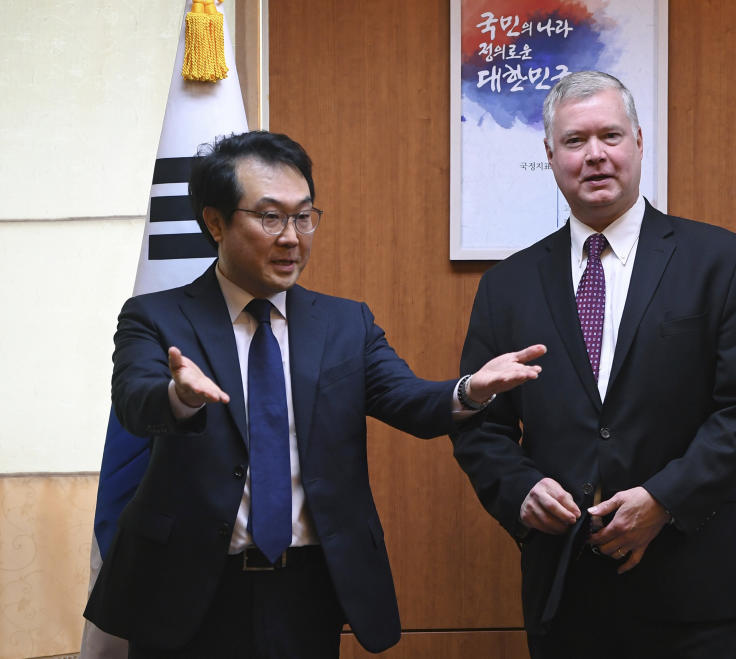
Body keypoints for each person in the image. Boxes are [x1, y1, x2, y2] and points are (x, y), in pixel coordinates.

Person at [83, 130, 545, 658]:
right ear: (215, 222)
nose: (292, 237)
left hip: (308, 586)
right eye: (270, 217)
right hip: (186, 588)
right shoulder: (156, 316)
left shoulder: (345, 323)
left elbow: (407, 400)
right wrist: (179, 396)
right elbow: (135, 399)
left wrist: (470, 390)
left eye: (304, 217)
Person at [451, 71, 736, 657]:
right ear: (550, 156)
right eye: (575, 141)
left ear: (639, 143)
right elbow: (482, 426)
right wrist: (520, 490)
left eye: (611, 135)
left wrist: (663, 500)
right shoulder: (508, 286)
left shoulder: (719, 260)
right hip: (565, 591)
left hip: (693, 591)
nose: (595, 155)